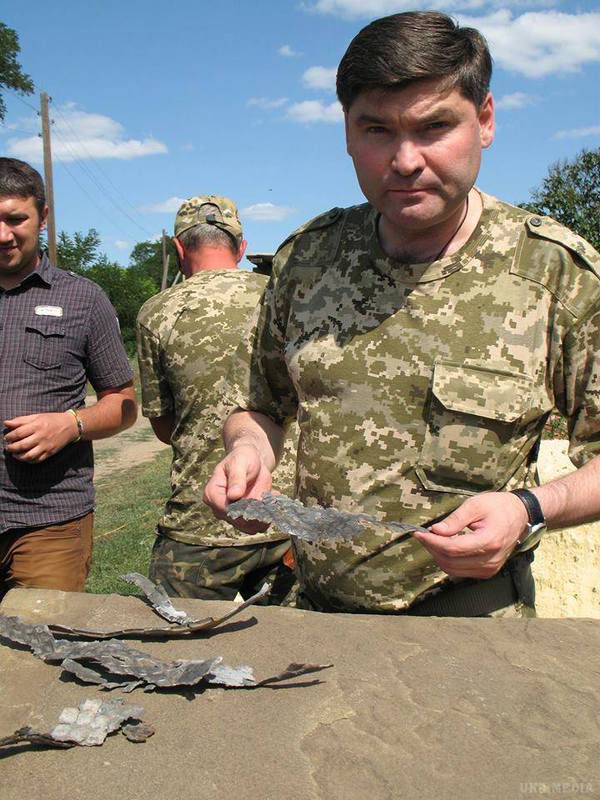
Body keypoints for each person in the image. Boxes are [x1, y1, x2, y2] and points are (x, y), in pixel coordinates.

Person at [204, 11, 600, 617]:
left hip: (470, 625)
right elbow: (259, 407)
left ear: (485, 121)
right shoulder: (307, 259)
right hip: (318, 615)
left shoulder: (554, 274)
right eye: (377, 130)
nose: (405, 159)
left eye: (435, 126)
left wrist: (529, 509)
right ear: (346, 131)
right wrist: (250, 450)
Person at [136, 195, 296, 603]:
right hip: (285, 519)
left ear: (178, 249)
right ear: (241, 248)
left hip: (199, 523)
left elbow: (163, 424)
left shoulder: (157, 312)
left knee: (180, 654)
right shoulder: (283, 299)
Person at [0, 157, 137, 599]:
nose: (3, 234)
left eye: (15, 218)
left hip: (48, 521)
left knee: (39, 655)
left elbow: (123, 403)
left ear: (43, 216)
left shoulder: (82, 298)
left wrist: (70, 424)